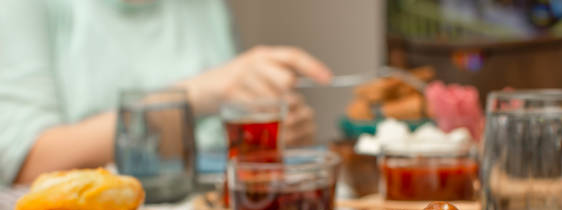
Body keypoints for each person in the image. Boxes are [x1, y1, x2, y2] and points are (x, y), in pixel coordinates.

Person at [0, 0, 332, 185]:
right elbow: (26, 164)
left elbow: (212, 144)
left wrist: (267, 136)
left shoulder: (206, 8)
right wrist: (200, 92)